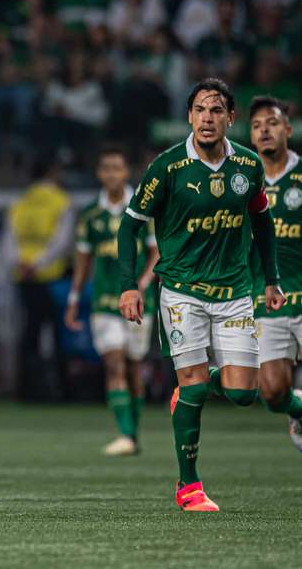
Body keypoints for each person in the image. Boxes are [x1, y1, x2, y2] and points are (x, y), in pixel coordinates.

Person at [118, 78, 284, 512]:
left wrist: (271, 278)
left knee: (243, 392)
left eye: (215, 111)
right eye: (199, 110)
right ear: (189, 116)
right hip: (182, 291)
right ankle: (188, 485)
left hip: (234, 292)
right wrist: (128, 285)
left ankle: (190, 391)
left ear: (231, 118)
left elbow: (262, 221)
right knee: (192, 383)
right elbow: (129, 224)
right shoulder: (169, 167)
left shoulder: (248, 167)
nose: (207, 118)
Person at [65, 146, 158, 456]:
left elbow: (155, 253)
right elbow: (82, 260)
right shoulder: (91, 214)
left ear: (126, 172)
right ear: (99, 173)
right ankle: (126, 435)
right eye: (106, 168)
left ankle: (132, 432)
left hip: (139, 302)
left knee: (134, 367)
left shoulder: (143, 208)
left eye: (117, 168)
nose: (111, 174)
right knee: (114, 364)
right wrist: (74, 298)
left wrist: (142, 285)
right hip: (104, 301)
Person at [247, 95, 302, 450]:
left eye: (272, 122)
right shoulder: (243, 183)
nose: (264, 130)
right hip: (267, 300)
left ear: (288, 129)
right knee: (271, 391)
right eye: (256, 126)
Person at [3, 158, 74, 399]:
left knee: (29, 334)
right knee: (59, 335)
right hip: (53, 278)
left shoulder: (19, 203)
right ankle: (62, 390)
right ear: (53, 171)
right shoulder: (62, 202)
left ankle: (26, 390)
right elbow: (62, 243)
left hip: (24, 278)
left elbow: (9, 241)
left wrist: (22, 264)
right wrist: (40, 264)